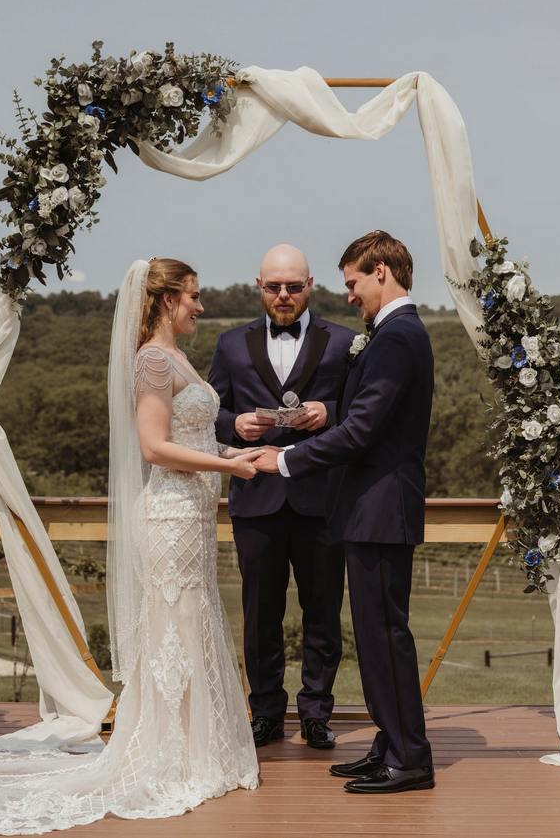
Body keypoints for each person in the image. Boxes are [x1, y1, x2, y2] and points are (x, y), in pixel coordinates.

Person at [0, 258, 260, 834]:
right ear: (165, 301)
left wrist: (233, 455)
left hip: (194, 518)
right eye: (193, 297)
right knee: (175, 626)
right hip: (170, 516)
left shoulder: (176, 357)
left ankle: (195, 748)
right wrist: (227, 469)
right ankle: (173, 752)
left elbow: (194, 434)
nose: (200, 307)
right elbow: (155, 446)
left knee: (194, 622)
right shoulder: (154, 360)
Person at [254, 231, 435, 795]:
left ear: (381, 272)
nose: (350, 295)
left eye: (353, 282)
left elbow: (360, 430)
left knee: (385, 635)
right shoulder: (390, 334)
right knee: (377, 635)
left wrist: (285, 459)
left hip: (382, 508)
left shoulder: (399, 336)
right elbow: (359, 416)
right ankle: (388, 744)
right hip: (369, 509)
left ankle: (410, 758)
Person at [208, 245, 355, 749]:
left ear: (310, 284)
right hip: (256, 498)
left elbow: (367, 410)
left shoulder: (345, 342)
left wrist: (330, 410)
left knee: (322, 612)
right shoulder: (230, 344)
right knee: (260, 615)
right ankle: (266, 712)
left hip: (324, 500)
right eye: (275, 287)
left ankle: (316, 713)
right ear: (259, 286)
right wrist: (234, 423)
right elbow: (208, 412)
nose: (284, 295)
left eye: (294, 286)